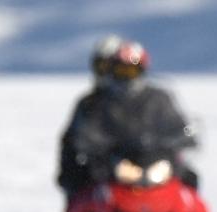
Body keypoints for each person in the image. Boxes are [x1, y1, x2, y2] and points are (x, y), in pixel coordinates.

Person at [55, 37, 197, 198]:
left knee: (189, 182)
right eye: (121, 71)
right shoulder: (95, 103)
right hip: (112, 168)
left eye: (132, 71)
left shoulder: (156, 98)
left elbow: (178, 125)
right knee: (83, 194)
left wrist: (182, 138)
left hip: (151, 161)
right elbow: (78, 139)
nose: (127, 77)